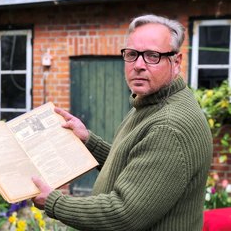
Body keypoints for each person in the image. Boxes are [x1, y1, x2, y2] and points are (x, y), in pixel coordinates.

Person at [31, 14, 213, 230]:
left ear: (176, 62)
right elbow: (136, 168)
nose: (138, 65)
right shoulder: (151, 103)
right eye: (132, 54)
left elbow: (124, 213)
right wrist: (89, 141)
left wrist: (54, 202)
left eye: (152, 56)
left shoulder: (168, 126)